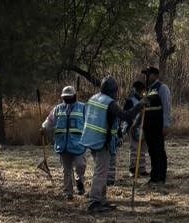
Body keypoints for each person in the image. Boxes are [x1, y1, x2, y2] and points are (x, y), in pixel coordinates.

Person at [81, 76, 123, 213]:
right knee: (100, 172)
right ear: (113, 90)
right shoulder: (110, 103)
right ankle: (94, 202)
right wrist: (140, 106)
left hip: (92, 140)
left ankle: (102, 200)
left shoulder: (93, 99)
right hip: (102, 142)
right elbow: (125, 116)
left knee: (102, 171)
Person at [42, 86, 87, 199]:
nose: (67, 99)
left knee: (80, 165)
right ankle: (68, 193)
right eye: (65, 97)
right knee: (66, 170)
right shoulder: (57, 109)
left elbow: (89, 123)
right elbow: (49, 121)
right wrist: (43, 127)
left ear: (74, 96)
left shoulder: (83, 108)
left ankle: (79, 180)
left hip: (78, 144)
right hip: (63, 145)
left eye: (69, 97)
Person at [140, 66, 172, 185]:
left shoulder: (162, 88)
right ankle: (154, 177)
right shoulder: (147, 90)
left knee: (159, 151)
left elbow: (166, 107)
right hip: (148, 126)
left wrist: (166, 124)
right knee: (152, 151)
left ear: (155, 75)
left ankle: (161, 177)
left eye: (149, 74)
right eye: (145, 75)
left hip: (157, 125)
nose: (146, 77)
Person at [122, 81, 149, 178]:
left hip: (142, 127)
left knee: (142, 149)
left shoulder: (145, 100)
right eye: (140, 90)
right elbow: (126, 114)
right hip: (132, 127)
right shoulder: (130, 101)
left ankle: (142, 169)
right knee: (134, 149)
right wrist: (129, 126)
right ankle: (133, 169)